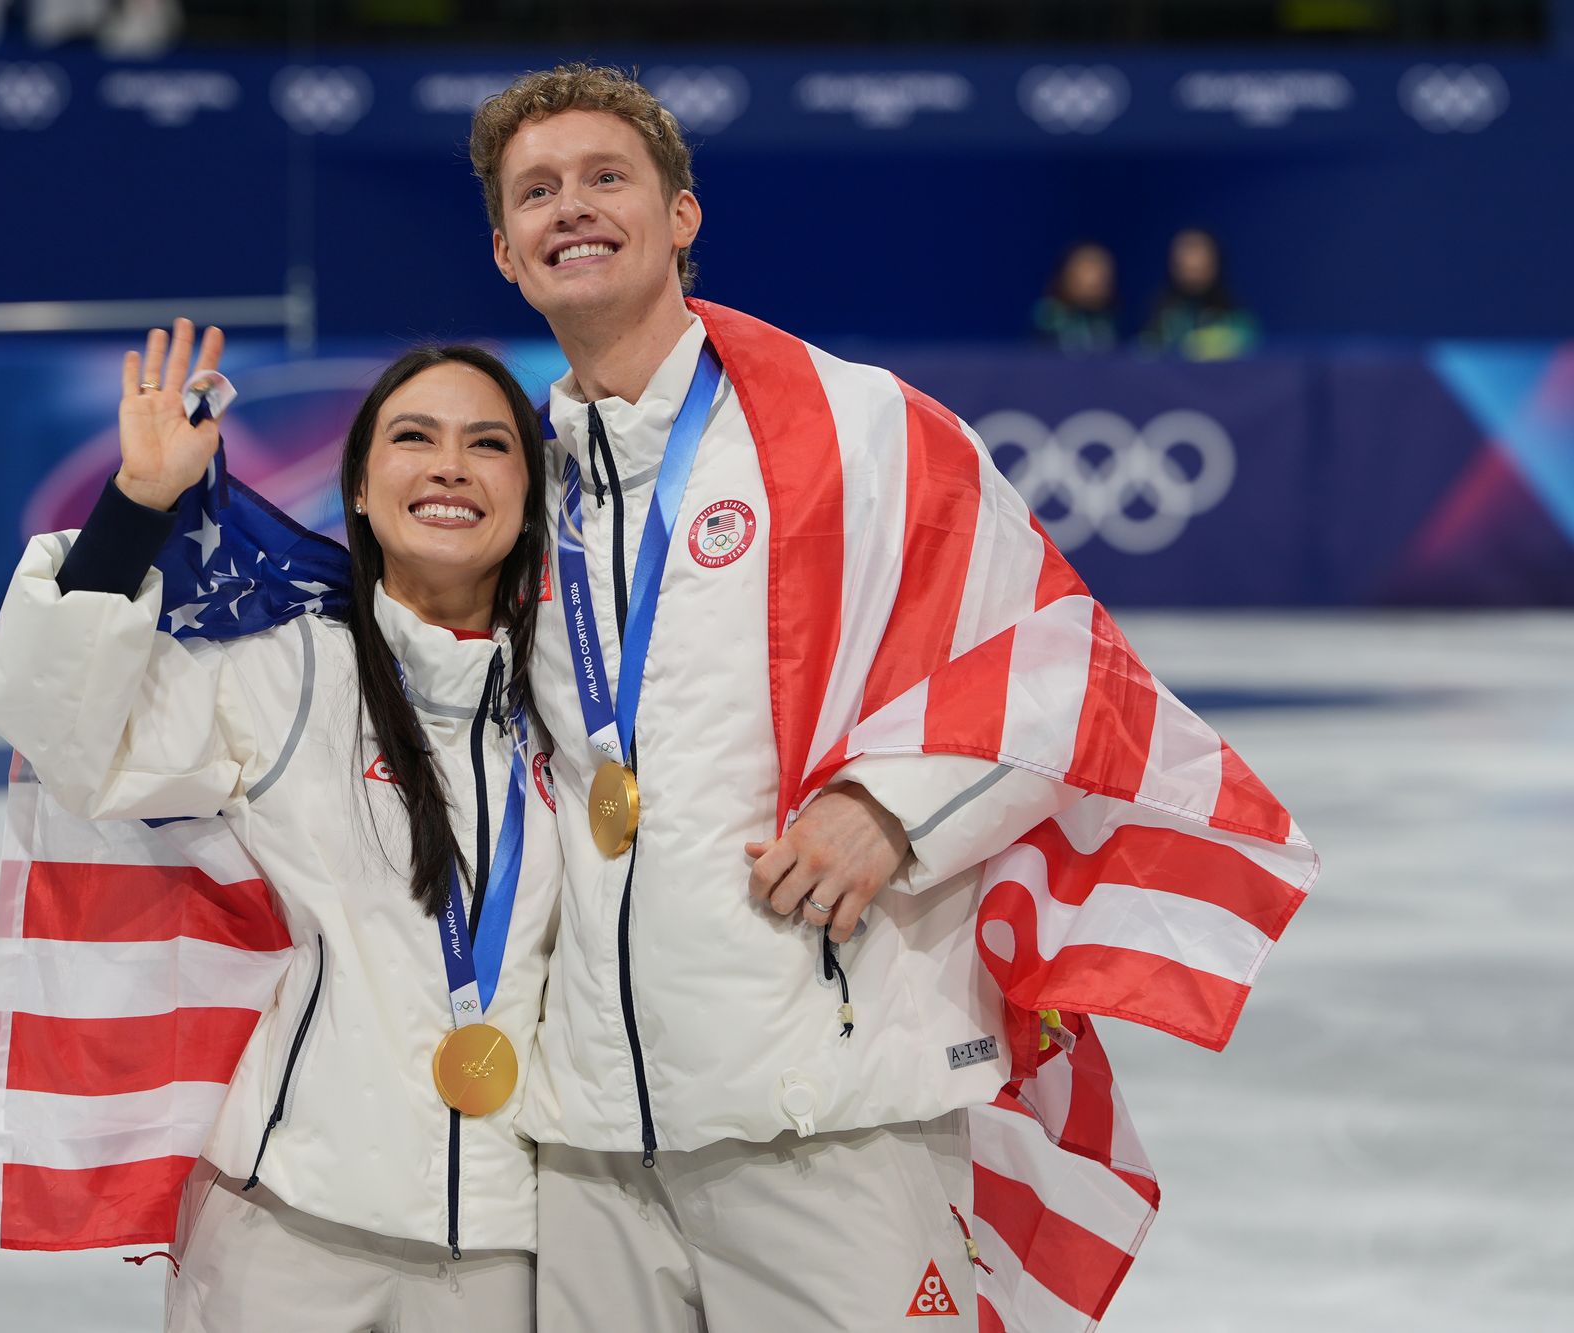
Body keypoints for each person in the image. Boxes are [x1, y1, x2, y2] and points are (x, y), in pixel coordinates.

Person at [466, 64, 1315, 1333]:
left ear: (681, 215)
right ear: (504, 250)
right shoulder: (509, 487)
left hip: (822, 1117)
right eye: (537, 192)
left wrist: (894, 806)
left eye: (605, 178)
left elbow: (1056, 656)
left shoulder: (855, 426)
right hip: (585, 1138)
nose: (570, 208)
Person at [0, 323, 560, 1330]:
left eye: (489, 442)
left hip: (518, 1242)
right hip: (288, 1229)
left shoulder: (579, 707)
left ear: (529, 494)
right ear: (361, 493)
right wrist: (138, 505)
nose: (450, 466)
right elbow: (71, 727)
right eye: (413, 438)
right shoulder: (297, 673)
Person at [1141, 226, 1259, 360]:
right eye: (1186, 267)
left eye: (1200, 268)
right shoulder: (1161, 318)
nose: (1193, 275)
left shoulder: (1235, 318)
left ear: (1215, 264)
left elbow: (1252, 342)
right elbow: (1145, 352)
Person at [1032, 239, 1120, 353]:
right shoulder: (1049, 319)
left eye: (1102, 276)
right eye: (1086, 271)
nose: (1093, 281)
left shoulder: (1111, 321)